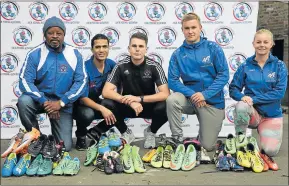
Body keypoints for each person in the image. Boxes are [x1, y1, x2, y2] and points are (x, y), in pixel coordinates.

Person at [16, 16, 87, 151]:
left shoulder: (74, 54)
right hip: (40, 100)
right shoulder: (35, 54)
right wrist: (44, 101)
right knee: (24, 101)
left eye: (58, 33)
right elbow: (25, 81)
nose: (55, 36)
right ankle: (37, 139)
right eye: (50, 33)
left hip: (63, 103)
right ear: (44, 35)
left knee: (64, 147)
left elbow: (82, 82)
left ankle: (52, 141)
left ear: (64, 35)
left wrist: (61, 102)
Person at [166, 12, 229, 155]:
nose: (190, 31)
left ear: (200, 28)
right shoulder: (177, 54)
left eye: (193, 27)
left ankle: (201, 138)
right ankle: (177, 140)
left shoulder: (213, 48)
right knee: (172, 99)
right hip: (190, 99)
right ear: (182, 30)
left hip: (211, 102)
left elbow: (224, 75)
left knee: (207, 146)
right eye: (186, 28)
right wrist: (194, 95)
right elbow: (173, 81)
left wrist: (205, 95)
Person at [101, 32, 170, 148]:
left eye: (141, 46)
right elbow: (106, 92)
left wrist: (139, 99)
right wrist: (130, 101)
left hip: (147, 106)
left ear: (146, 49)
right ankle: (126, 132)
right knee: (106, 103)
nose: (137, 49)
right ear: (129, 48)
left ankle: (151, 132)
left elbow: (165, 93)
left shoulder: (154, 66)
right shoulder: (121, 65)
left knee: (168, 105)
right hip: (127, 106)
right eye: (134, 46)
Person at [229, 29, 288, 160]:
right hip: (253, 113)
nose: (262, 45)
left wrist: (253, 99)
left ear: (272, 44)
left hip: (271, 115)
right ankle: (241, 142)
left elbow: (279, 93)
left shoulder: (279, 66)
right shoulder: (245, 65)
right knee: (241, 106)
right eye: (258, 42)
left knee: (270, 152)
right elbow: (233, 88)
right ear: (253, 44)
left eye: (266, 42)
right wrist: (241, 97)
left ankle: (263, 134)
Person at [73, 34, 126, 150]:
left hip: (97, 101)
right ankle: (81, 136)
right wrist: (103, 109)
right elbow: (82, 98)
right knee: (88, 114)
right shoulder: (84, 68)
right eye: (97, 47)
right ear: (92, 49)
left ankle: (96, 131)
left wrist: (120, 97)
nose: (101, 50)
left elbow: (121, 81)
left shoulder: (111, 64)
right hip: (81, 105)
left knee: (121, 106)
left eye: (104, 47)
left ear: (108, 48)